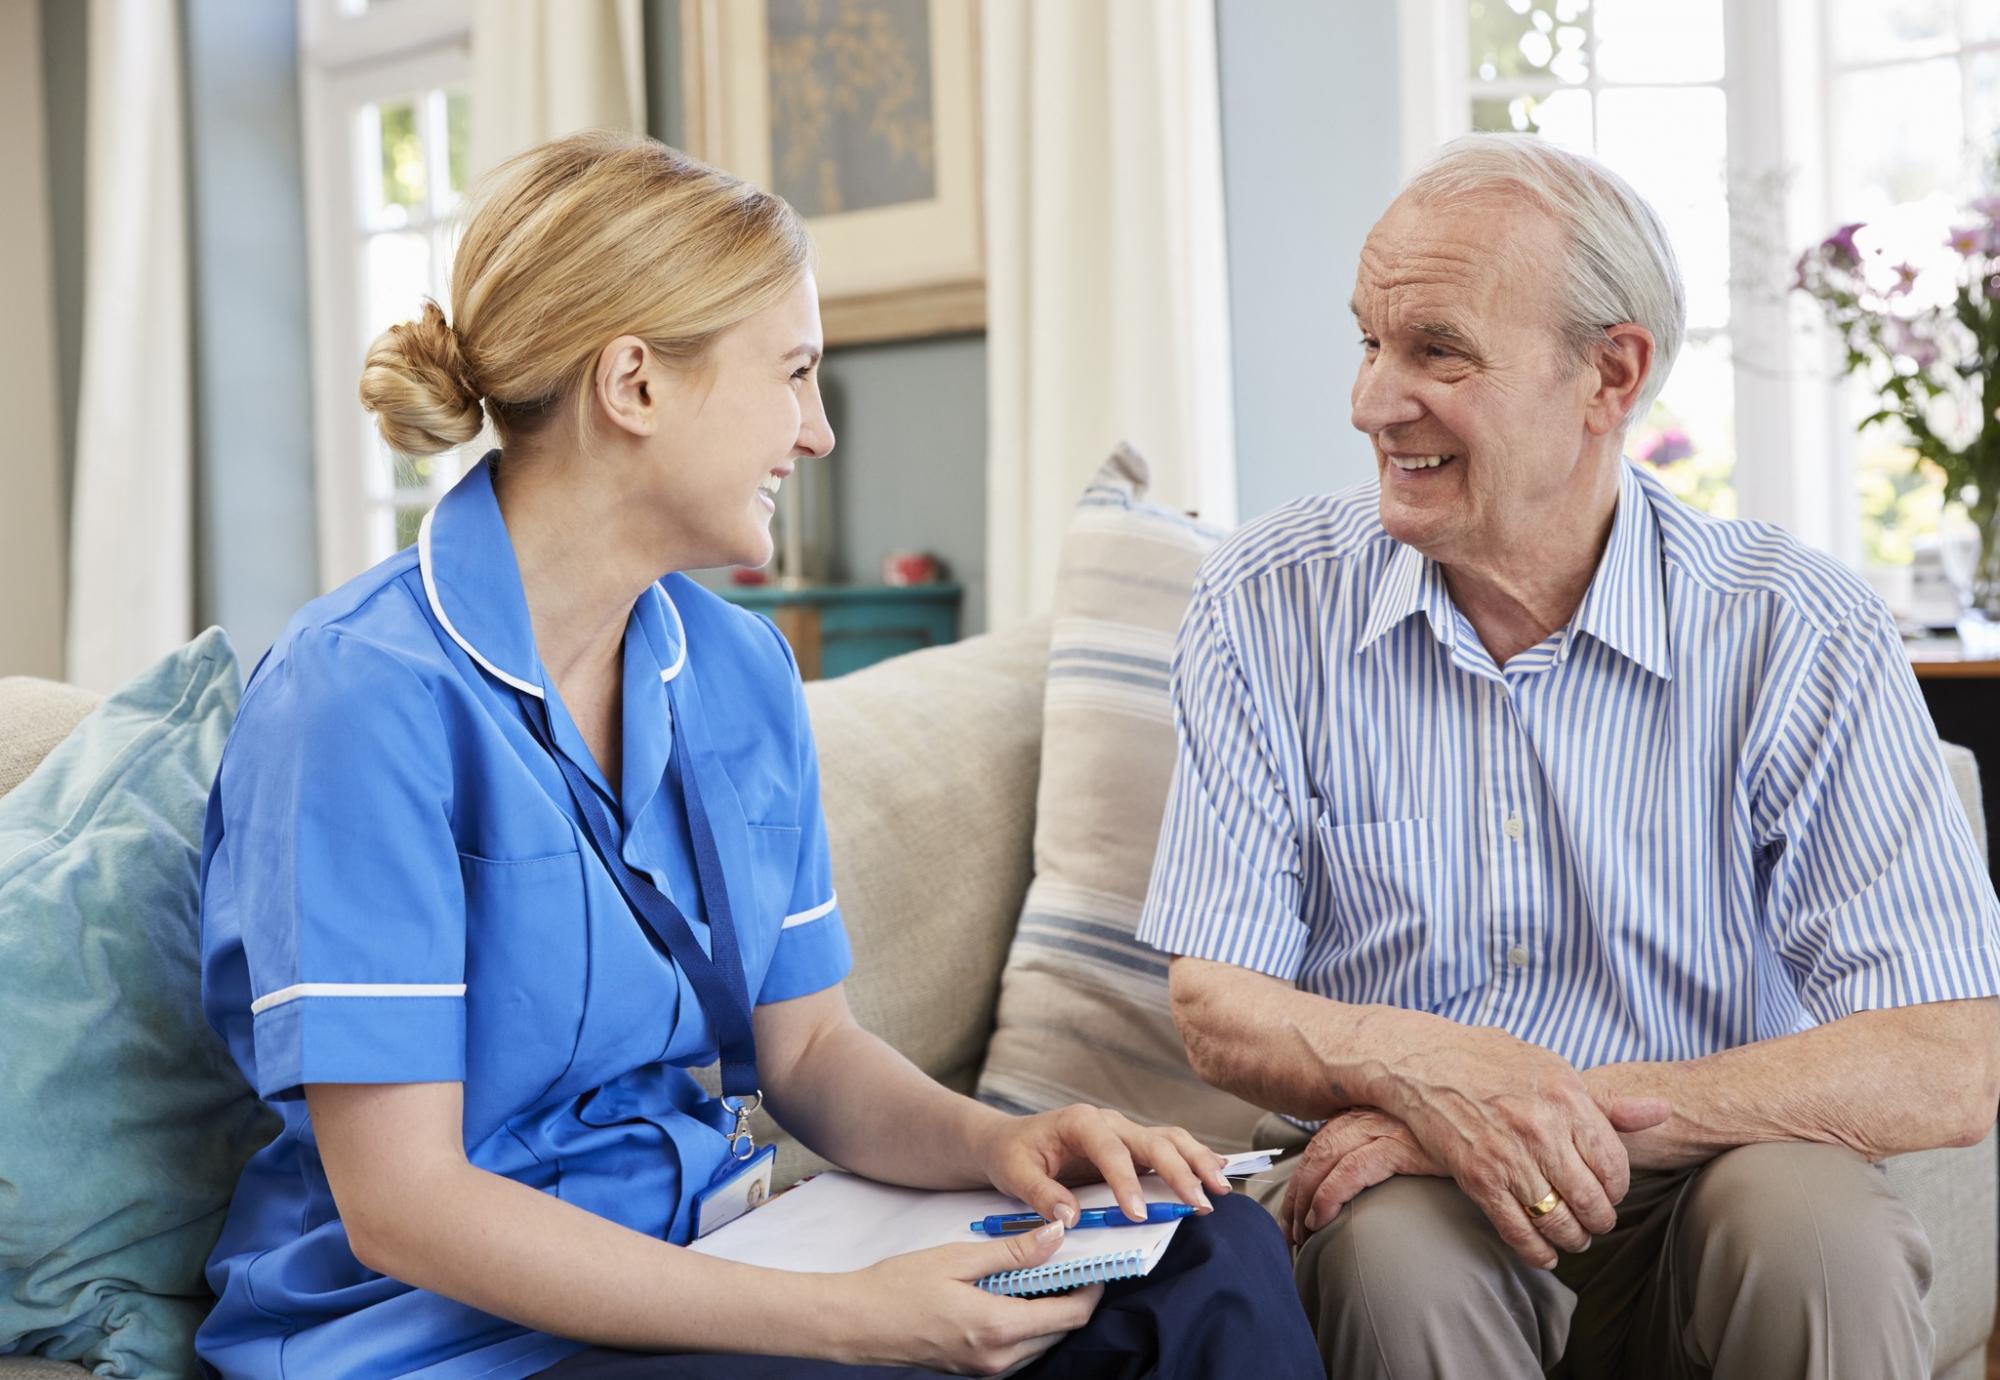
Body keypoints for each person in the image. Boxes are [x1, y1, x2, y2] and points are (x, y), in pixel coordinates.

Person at [195, 131, 1320, 1380]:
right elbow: (405, 1206)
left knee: (1204, 1254)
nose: (818, 431)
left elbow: (811, 1055)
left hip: (730, 1265)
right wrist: (859, 1318)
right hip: (458, 1342)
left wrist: (1009, 1142)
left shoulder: (735, 671)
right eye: (792, 373)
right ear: (634, 385)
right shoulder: (358, 697)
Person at [1137, 132, 2000, 1380]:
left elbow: (1943, 1059)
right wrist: (1425, 1077)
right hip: (1411, 1204)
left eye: (1434, 349)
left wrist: (1520, 1114)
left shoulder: (1792, 627)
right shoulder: (1267, 604)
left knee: (1814, 1233)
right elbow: (1217, 1002)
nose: (1371, 399)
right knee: (1395, 1259)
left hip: (1706, 1179)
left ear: (1608, 374)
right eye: (1368, 341)